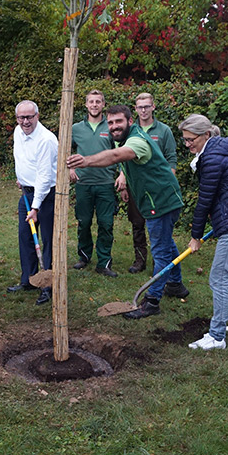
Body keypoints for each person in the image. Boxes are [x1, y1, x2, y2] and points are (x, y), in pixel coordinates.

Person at [67, 105, 189, 319]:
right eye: (111, 123)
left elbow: (116, 155)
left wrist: (86, 161)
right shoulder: (124, 137)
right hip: (160, 199)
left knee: (160, 251)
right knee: (167, 243)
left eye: (119, 122)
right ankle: (176, 285)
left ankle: (151, 301)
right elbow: (117, 151)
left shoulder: (137, 141)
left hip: (161, 201)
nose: (114, 127)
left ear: (130, 122)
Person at [178, 114, 228, 351]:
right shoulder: (223, 149)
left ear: (206, 135)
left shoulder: (212, 158)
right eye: (185, 139)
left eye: (191, 139)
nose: (187, 144)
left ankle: (216, 336)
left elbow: (205, 200)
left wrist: (195, 236)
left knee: (219, 277)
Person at [118, 93, 179, 274]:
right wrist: (122, 176)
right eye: (140, 107)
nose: (143, 110)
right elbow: (123, 156)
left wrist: (167, 185)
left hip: (158, 190)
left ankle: (159, 264)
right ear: (135, 109)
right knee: (137, 224)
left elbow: (172, 160)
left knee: (159, 229)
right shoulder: (130, 130)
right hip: (136, 187)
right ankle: (140, 260)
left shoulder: (163, 131)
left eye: (147, 106)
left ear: (153, 107)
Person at [8, 100, 58, 306]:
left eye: (29, 117)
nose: (25, 121)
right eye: (21, 117)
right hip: (27, 193)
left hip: (45, 196)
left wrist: (36, 207)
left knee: (47, 240)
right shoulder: (18, 133)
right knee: (26, 237)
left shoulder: (46, 140)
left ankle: (48, 286)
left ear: (37, 116)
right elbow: (20, 157)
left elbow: (45, 177)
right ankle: (29, 279)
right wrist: (21, 177)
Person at [69, 89, 117, 277]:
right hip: (83, 183)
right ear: (86, 104)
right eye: (91, 101)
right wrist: (71, 169)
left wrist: (121, 175)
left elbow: (120, 152)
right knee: (84, 221)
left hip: (105, 182)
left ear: (103, 104)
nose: (95, 105)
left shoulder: (111, 127)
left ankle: (104, 262)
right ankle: (84, 256)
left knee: (106, 223)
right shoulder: (76, 128)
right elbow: (65, 149)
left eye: (98, 101)